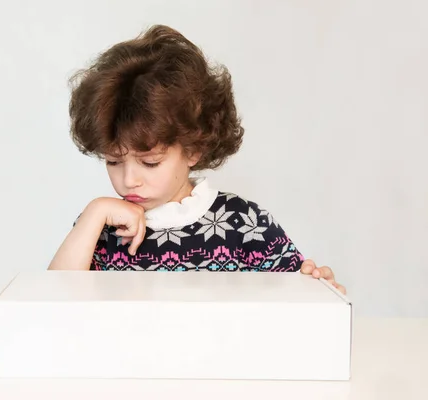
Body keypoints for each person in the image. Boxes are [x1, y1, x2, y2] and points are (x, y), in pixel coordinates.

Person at [47, 24, 345, 294]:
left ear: (193, 149)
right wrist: (95, 213)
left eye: (150, 162)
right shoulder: (101, 227)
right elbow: (51, 304)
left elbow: (296, 304)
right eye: (113, 161)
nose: (129, 180)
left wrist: (316, 288)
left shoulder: (244, 225)